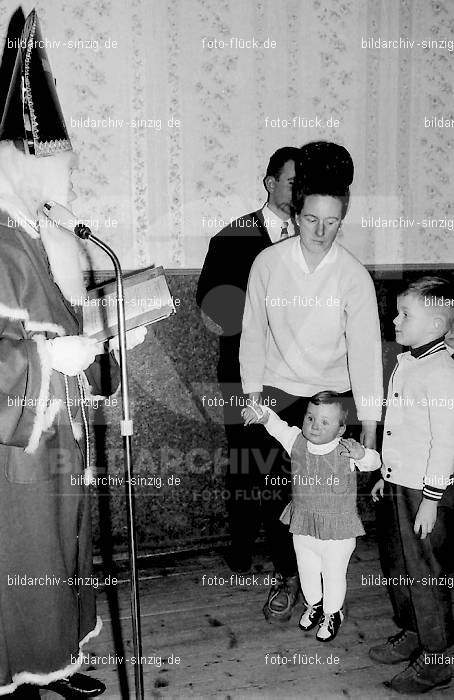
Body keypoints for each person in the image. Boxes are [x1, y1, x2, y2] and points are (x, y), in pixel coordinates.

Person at [0, 11, 145, 698]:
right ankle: (18, 672)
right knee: (26, 555)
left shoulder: (43, 235)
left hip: (56, 438)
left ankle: (54, 659)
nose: (65, 174)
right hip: (13, 454)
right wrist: (46, 363)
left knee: (62, 552)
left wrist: (108, 338)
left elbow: (60, 327)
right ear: (18, 164)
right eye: (54, 163)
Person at [239, 141, 383, 622]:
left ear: (343, 220)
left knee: (327, 501)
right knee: (281, 496)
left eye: (333, 221)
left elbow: (364, 354)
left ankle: (325, 591)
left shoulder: (353, 276)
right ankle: (289, 581)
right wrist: (252, 397)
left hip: (330, 399)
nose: (321, 231)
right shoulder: (268, 264)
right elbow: (252, 333)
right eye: (311, 219)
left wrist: (369, 428)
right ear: (295, 213)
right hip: (278, 395)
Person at [196, 146, 300, 573]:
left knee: (289, 461)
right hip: (242, 373)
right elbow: (210, 307)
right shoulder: (232, 236)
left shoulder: (311, 239)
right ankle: (240, 549)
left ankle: (288, 558)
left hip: (297, 374)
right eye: (293, 182)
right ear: (270, 183)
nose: (299, 191)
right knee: (245, 461)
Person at [369, 277, 454, 694]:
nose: (395, 319)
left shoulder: (442, 372)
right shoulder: (409, 361)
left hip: (426, 492)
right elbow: (400, 429)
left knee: (427, 574)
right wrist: (385, 476)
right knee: (398, 565)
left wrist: (432, 500)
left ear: (437, 323)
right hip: (400, 485)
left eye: (406, 314)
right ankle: (413, 631)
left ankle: (439, 659)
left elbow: (446, 442)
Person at [242, 391, 380, 641]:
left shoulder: (346, 450)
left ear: (341, 429)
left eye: (325, 422)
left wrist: (363, 455)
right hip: (303, 526)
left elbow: (374, 462)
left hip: (337, 532)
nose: (315, 425)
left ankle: (332, 612)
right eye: (310, 418)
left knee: (333, 574)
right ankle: (314, 604)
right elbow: (275, 425)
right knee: (306, 571)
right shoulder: (296, 441)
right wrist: (260, 413)